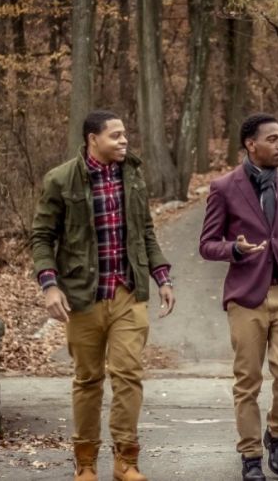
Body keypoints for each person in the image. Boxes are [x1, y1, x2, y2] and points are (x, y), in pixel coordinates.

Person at [30, 110, 176, 481]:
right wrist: (49, 285)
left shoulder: (134, 177)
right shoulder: (61, 180)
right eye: (116, 135)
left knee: (128, 374)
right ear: (93, 139)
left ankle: (126, 460)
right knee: (88, 379)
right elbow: (42, 236)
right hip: (83, 296)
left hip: (128, 292)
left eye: (125, 134)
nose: (124, 140)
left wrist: (162, 277)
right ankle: (86, 462)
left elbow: (145, 232)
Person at [199, 113, 278, 481]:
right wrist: (234, 248)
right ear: (251, 144)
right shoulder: (224, 187)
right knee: (247, 379)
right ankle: (250, 455)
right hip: (245, 295)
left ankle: (276, 434)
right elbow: (207, 244)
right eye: (274, 139)